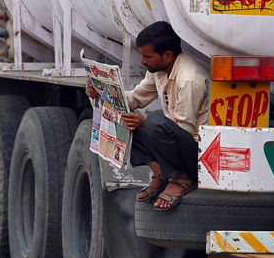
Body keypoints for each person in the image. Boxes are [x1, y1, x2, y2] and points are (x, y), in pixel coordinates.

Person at [86, 21, 209, 211]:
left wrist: (144, 122)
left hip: (197, 154)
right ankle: (160, 173)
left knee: (153, 121)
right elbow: (134, 99)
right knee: (126, 114)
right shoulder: (158, 71)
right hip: (173, 144)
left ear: (167, 56)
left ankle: (181, 178)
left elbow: (183, 130)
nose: (143, 61)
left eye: (147, 56)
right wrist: (101, 91)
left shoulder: (190, 79)